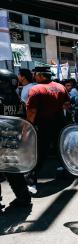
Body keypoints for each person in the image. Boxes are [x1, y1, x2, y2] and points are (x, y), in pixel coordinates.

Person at [25, 66, 70, 194]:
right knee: (60, 149)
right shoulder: (61, 87)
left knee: (39, 153)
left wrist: (29, 127)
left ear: (40, 75)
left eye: (35, 74)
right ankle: (68, 172)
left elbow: (32, 111)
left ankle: (30, 182)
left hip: (43, 125)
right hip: (60, 123)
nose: (34, 76)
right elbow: (67, 105)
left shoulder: (36, 89)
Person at [0, 69, 31, 210]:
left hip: (2, 141)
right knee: (13, 171)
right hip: (14, 141)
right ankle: (24, 198)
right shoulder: (18, 100)